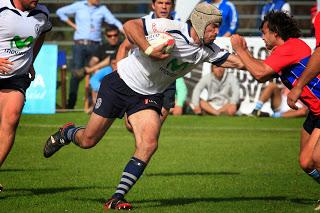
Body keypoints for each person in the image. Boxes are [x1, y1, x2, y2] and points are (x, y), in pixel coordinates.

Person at [43, 2, 245, 210]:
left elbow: (241, 64)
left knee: (149, 143)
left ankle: (116, 198)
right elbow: (130, 26)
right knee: (88, 141)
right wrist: (149, 49)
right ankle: (67, 133)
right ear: (201, 23)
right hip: (120, 84)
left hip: (148, 95)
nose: (216, 31)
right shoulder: (171, 27)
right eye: (213, 26)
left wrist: (258, 59)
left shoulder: (208, 50)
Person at [230, 11, 320, 210]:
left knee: (316, 159)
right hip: (315, 112)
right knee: (306, 163)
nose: (262, 36)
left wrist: (240, 50)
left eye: (264, 32)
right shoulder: (283, 52)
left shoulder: (292, 47)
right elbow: (251, 65)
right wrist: (212, 57)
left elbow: (260, 74)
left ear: (275, 32)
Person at [0, 0, 52, 189]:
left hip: (17, 77)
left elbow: (42, 35)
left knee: (11, 119)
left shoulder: (43, 13)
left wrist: (31, 61)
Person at [116, 0, 179, 131]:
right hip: (141, 78)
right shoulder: (142, 24)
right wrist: (118, 73)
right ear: (153, 5)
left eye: (167, 3)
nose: (163, 6)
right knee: (130, 126)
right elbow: (124, 47)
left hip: (166, 80)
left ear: (172, 6)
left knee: (152, 129)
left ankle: (142, 150)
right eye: (160, 2)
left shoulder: (180, 26)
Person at [56, 0, 123, 109]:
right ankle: (71, 104)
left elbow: (114, 21)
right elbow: (60, 12)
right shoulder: (78, 5)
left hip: (96, 46)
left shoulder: (102, 9)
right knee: (76, 74)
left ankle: (94, 103)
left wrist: (126, 31)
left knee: (95, 73)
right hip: (80, 44)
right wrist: (74, 26)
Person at [85, 24, 121, 106]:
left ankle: (102, 104)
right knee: (94, 79)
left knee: (98, 78)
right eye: (110, 35)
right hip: (102, 72)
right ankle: (98, 105)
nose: (113, 37)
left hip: (116, 71)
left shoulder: (122, 46)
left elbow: (110, 60)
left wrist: (92, 69)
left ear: (119, 35)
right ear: (105, 36)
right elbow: (94, 60)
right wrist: (94, 68)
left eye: (115, 35)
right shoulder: (102, 47)